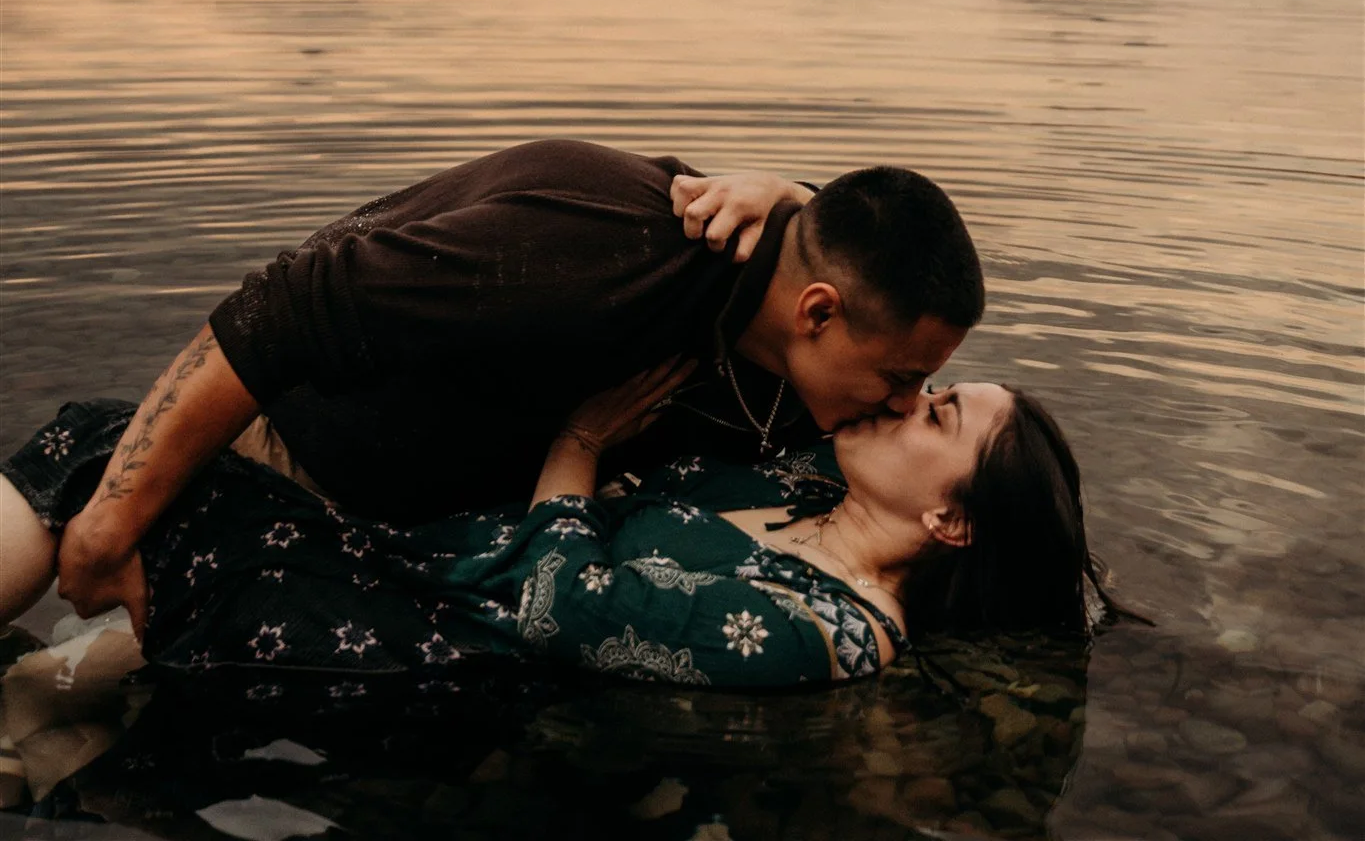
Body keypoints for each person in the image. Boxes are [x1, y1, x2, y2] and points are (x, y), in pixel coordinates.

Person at [52, 144, 986, 637]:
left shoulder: (794, 343)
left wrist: (792, 191)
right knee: (75, 569)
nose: (909, 401)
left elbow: (850, 231)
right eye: (904, 379)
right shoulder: (598, 254)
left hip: (423, 552)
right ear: (817, 314)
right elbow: (277, 309)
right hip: (284, 470)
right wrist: (110, 523)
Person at [0, 364, 1109, 694]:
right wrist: (774, 199)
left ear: (953, 517)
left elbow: (561, 608)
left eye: (942, 411)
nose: (912, 391)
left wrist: (576, 442)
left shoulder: (824, 630)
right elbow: (816, 314)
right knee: (109, 460)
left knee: (98, 446)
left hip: (419, 640)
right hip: (412, 556)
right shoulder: (803, 482)